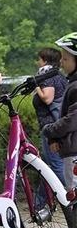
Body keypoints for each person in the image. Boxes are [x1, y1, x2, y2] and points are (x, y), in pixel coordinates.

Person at [42, 33, 77, 228]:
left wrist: (50, 130)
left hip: (74, 153)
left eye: (65, 58)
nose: (61, 62)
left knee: (74, 199)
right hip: (70, 149)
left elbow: (72, 119)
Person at [32, 48, 68, 184]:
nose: (37, 62)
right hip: (60, 125)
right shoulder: (59, 76)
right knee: (51, 167)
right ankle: (40, 203)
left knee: (55, 166)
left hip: (51, 127)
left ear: (45, 61)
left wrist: (36, 87)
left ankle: (72, 195)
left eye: (39, 59)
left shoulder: (48, 77)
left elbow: (47, 98)